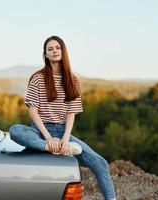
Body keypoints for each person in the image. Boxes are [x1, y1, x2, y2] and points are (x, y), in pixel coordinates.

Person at [9, 36, 116, 200]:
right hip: (39, 130)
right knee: (15, 130)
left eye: (57, 48)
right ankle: (49, 147)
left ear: (63, 51)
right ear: (45, 54)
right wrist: (48, 139)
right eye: (50, 49)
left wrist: (65, 139)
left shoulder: (72, 80)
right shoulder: (38, 78)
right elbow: (33, 111)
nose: (54, 51)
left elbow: (71, 113)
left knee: (100, 163)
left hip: (62, 131)